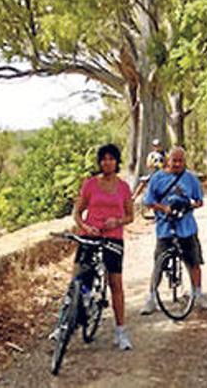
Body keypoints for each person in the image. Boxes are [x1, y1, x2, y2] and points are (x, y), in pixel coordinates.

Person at [72, 143, 135, 349]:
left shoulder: (124, 187)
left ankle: (120, 332)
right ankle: (66, 323)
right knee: (78, 280)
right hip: (90, 235)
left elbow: (130, 216)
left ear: (117, 162)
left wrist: (116, 222)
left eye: (111, 159)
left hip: (113, 238)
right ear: (100, 162)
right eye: (104, 159)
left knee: (116, 284)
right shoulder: (90, 184)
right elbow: (77, 213)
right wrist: (85, 226)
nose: (107, 162)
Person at [140, 147, 207, 314]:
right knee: (159, 262)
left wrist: (188, 205)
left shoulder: (190, 178)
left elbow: (199, 200)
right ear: (169, 160)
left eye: (181, 161)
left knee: (193, 262)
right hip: (165, 227)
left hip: (186, 226)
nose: (177, 164)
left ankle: (198, 293)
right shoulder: (157, 178)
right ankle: (151, 297)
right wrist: (163, 208)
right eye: (175, 161)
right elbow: (148, 201)